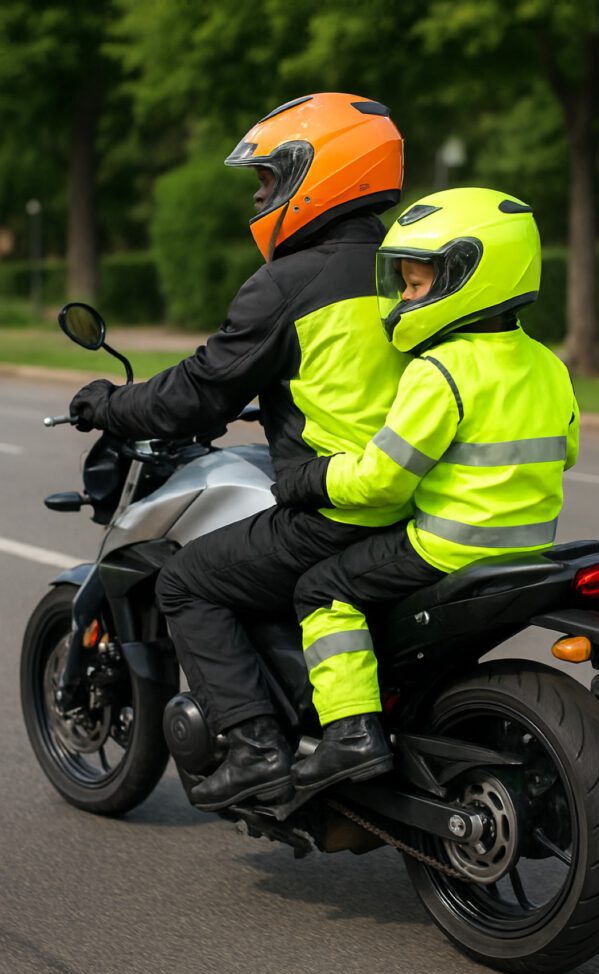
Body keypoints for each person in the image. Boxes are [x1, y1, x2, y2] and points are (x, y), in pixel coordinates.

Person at [69, 93, 411, 811]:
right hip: (425, 499)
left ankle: (255, 748)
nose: (258, 197)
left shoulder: (289, 284)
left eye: (265, 179)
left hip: (335, 503)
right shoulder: (412, 266)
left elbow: (196, 392)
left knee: (188, 582)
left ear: (317, 173)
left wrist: (105, 403)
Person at [273, 187, 580, 794]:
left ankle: (350, 733)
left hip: (446, 546)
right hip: (529, 549)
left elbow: (382, 477)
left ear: (470, 275)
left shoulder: (439, 371)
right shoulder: (548, 363)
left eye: (415, 286)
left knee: (323, 588)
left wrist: (310, 477)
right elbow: (566, 453)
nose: (406, 297)